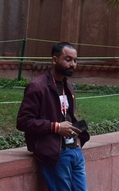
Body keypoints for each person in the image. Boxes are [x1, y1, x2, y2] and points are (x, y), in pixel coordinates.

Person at [16, 42, 92, 191]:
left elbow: (66, 115)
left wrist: (77, 137)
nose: (73, 64)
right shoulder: (37, 86)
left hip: (74, 151)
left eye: (75, 61)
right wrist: (56, 127)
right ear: (54, 60)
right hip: (55, 155)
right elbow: (23, 122)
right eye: (68, 59)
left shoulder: (67, 86)